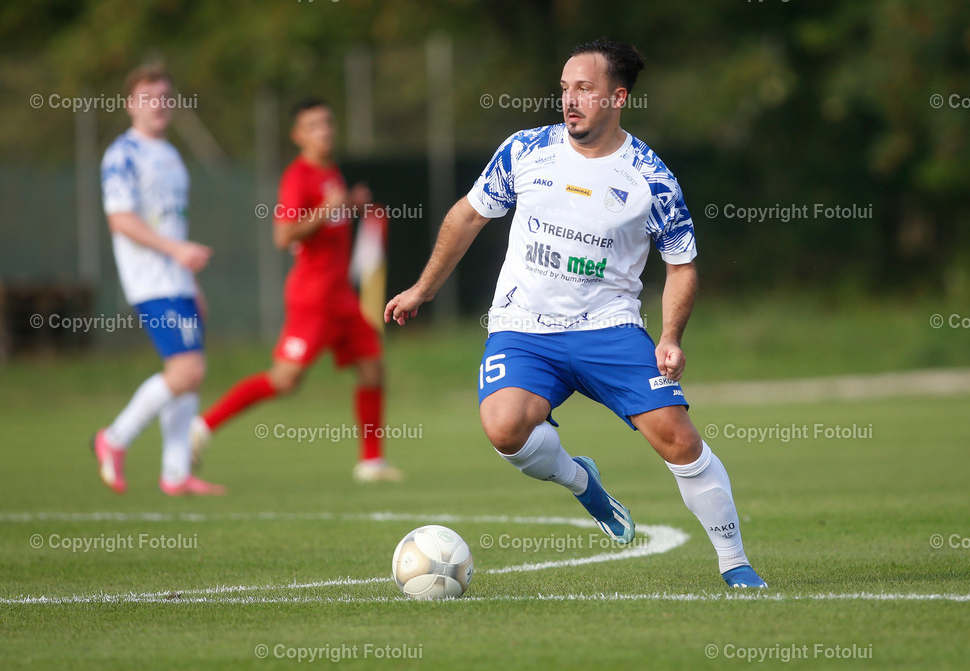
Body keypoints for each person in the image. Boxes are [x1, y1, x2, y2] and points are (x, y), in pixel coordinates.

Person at [386, 39, 767, 587]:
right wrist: (423, 288)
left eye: (585, 89)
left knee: (678, 438)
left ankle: (736, 565)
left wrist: (670, 336)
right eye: (565, 89)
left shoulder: (649, 177)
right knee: (504, 427)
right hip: (523, 327)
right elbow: (468, 216)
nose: (570, 100)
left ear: (618, 97)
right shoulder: (525, 150)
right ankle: (582, 483)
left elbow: (681, 265)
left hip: (608, 328)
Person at [189, 99, 401, 483]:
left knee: (373, 370)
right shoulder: (298, 176)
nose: (325, 130)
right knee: (285, 380)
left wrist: (349, 205)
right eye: (315, 125)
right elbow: (283, 235)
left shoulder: (331, 172)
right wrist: (326, 209)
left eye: (328, 122)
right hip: (313, 296)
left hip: (341, 296)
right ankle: (202, 425)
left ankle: (371, 463)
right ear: (298, 135)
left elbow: (327, 221)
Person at [93, 63, 225, 496]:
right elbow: (120, 220)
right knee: (187, 370)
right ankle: (114, 439)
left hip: (177, 281)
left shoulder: (169, 155)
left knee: (188, 373)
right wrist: (176, 253)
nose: (160, 105)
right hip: (150, 280)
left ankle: (175, 474)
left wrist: (192, 282)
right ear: (131, 105)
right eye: (149, 97)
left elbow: (173, 230)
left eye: (166, 97)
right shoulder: (122, 154)